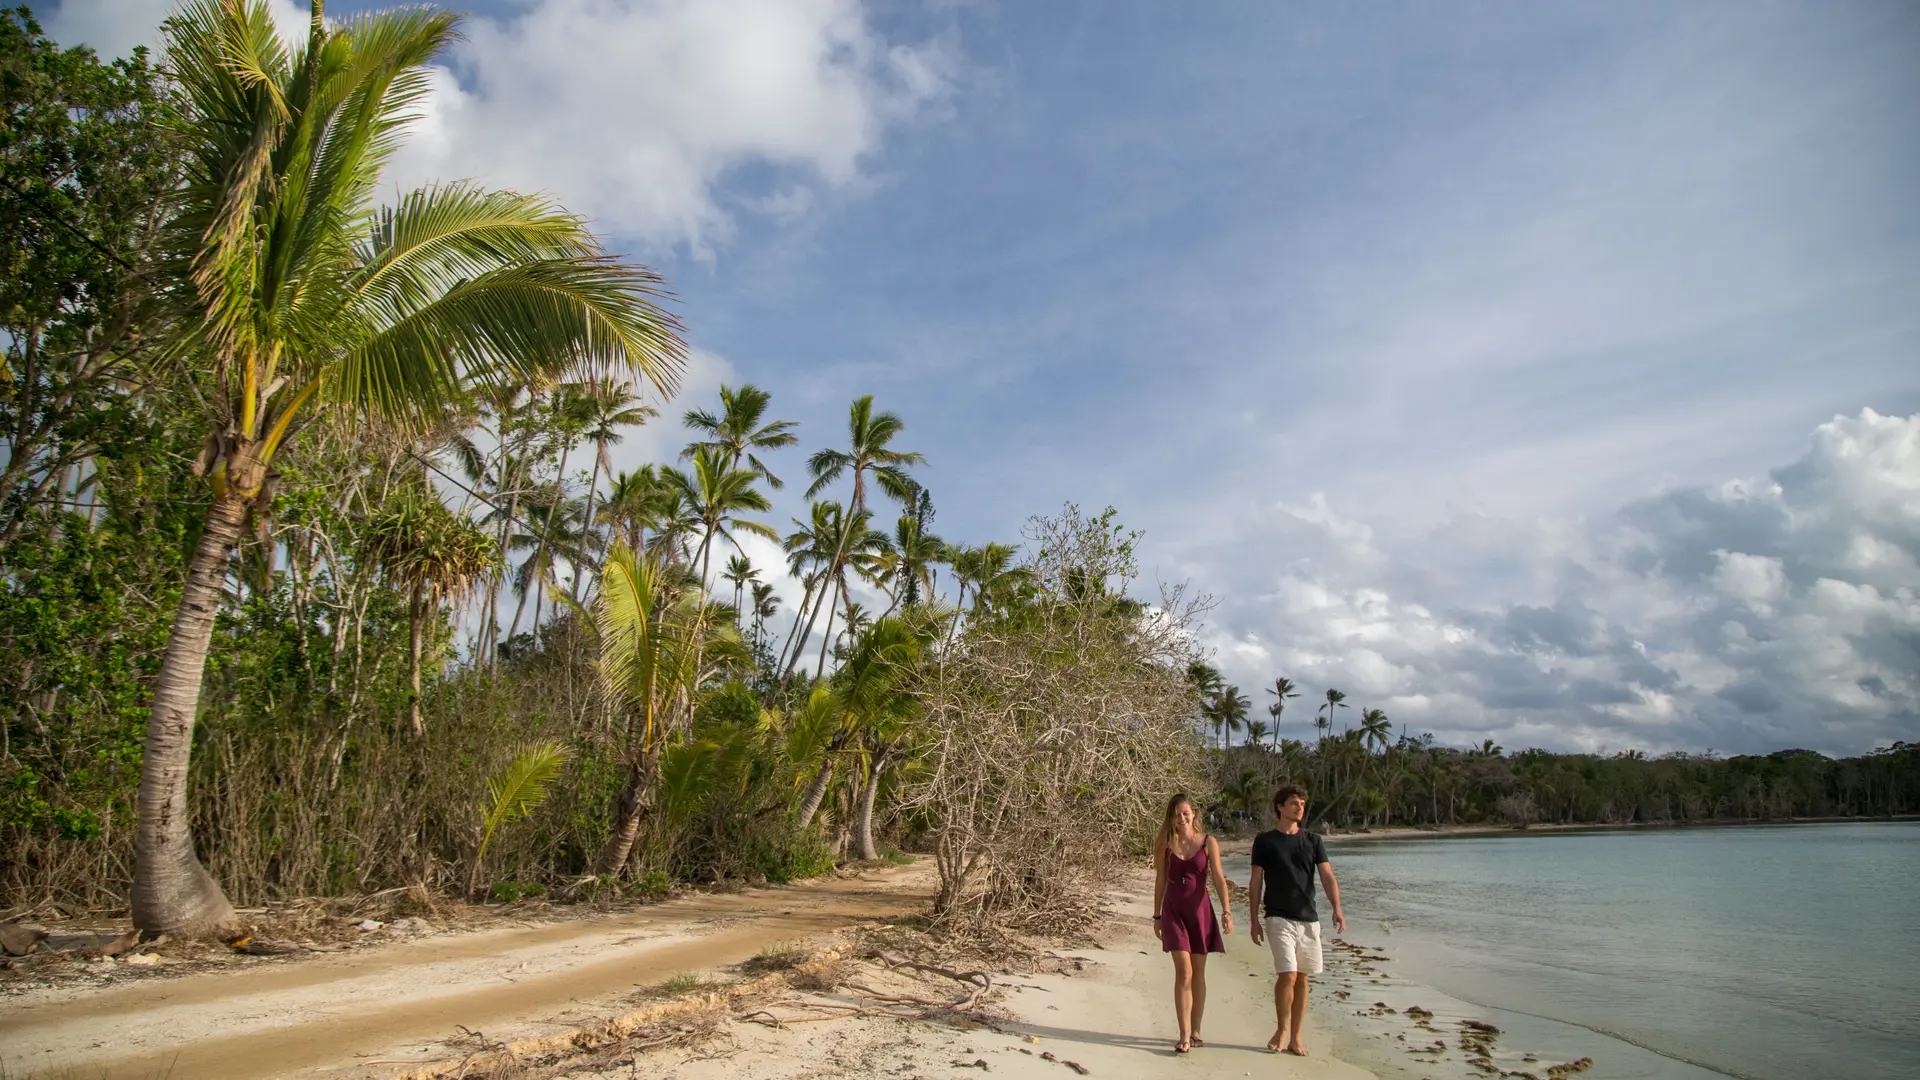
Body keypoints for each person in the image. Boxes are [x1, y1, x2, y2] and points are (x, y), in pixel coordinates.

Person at [1248, 783, 1345, 1056]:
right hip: (1278, 916)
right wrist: (1254, 918)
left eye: (1302, 803)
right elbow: (1256, 881)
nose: (1299, 806)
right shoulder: (1265, 841)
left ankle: (1296, 1038)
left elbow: (1326, 876)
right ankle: (1281, 1029)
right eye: (1294, 802)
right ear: (1280, 807)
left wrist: (1337, 908)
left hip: (1308, 918)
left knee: (1303, 978)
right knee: (1287, 974)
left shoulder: (1313, 841)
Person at [1152, 792, 1234, 1054]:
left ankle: (1196, 1029)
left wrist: (1227, 911)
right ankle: (1184, 1034)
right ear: (1171, 818)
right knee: (1184, 972)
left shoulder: (1209, 842)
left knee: (1198, 973)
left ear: (1194, 814)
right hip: (1173, 912)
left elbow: (1219, 878)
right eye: (1177, 814)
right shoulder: (1164, 844)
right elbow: (1161, 880)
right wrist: (1156, 916)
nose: (1182, 818)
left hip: (1201, 914)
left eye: (1186, 813)